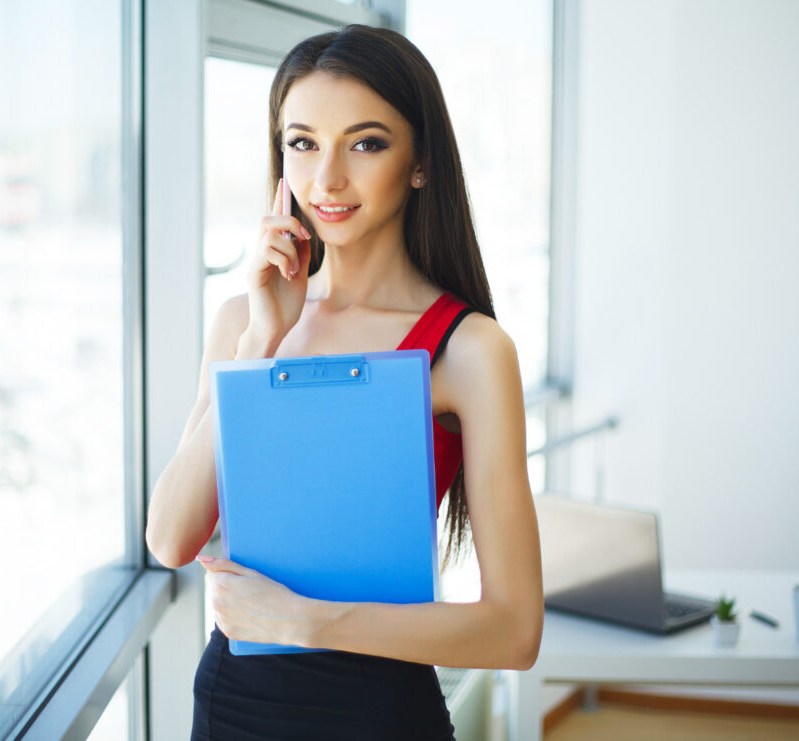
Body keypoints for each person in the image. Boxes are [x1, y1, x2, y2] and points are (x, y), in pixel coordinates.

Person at [146, 24, 543, 741]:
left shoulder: (472, 350)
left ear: (420, 161)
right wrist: (263, 340)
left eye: (364, 143)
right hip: (232, 705)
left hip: (379, 716)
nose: (325, 180)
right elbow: (171, 536)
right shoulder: (244, 318)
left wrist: (304, 620)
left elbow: (515, 630)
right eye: (302, 143)